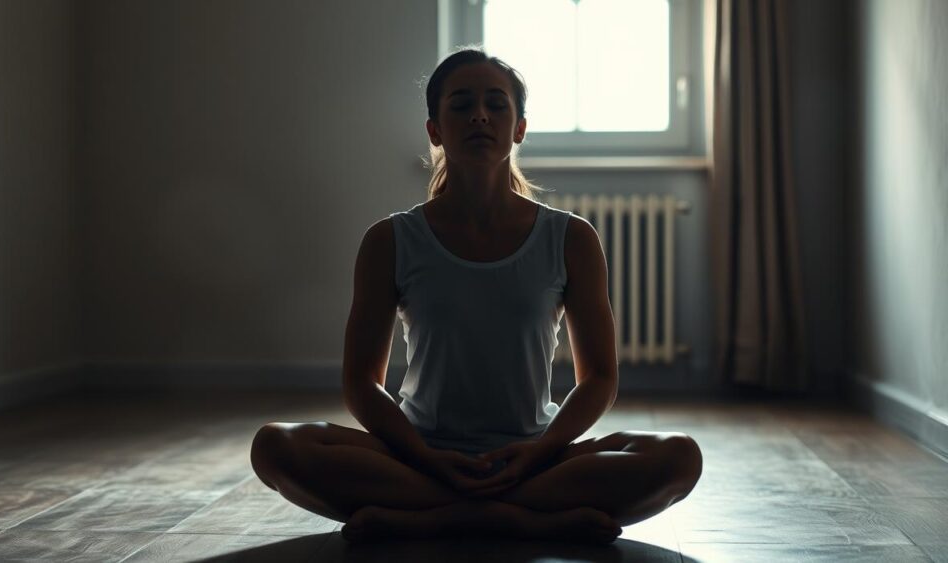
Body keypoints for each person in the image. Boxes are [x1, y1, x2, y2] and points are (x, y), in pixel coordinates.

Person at [249, 48, 703, 545]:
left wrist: (540, 451)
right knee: (276, 446)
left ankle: (433, 519)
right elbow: (361, 383)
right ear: (435, 130)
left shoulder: (570, 238)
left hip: (534, 457)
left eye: (496, 104)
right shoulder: (390, 240)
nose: (480, 116)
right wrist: (427, 458)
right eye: (462, 104)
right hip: (419, 456)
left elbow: (600, 378)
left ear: (519, 128)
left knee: (678, 457)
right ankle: (522, 521)